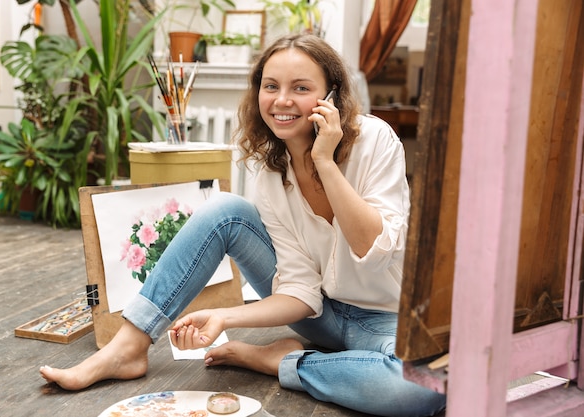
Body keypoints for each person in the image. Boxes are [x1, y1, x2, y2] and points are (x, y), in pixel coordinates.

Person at [40, 33, 446, 416]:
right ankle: (127, 347)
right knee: (225, 210)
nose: (282, 101)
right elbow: (302, 293)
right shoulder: (271, 170)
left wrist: (324, 161)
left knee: (426, 387)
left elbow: (374, 254)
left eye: (301, 88)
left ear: (331, 96)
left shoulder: (375, 141)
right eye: (271, 86)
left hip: (387, 322)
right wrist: (225, 318)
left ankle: (282, 362)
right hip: (320, 318)